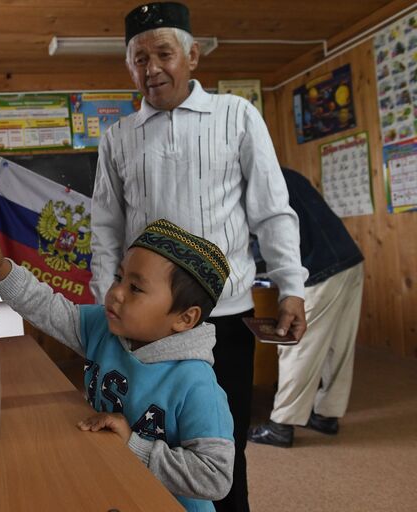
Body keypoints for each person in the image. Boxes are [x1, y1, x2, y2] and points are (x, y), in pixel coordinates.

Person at [89, 3, 309, 511]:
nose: (151, 69)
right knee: (142, 431)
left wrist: (291, 286)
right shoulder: (118, 137)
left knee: (220, 446)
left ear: (192, 56)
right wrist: (109, 299)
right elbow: (105, 226)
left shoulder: (237, 116)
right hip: (146, 320)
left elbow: (272, 211)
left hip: (224, 316)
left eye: (163, 54)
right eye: (138, 59)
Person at [0, 219, 235, 512]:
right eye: (119, 278)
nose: (116, 292)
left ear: (184, 318)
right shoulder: (104, 328)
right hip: (112, 482)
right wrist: (1, 268)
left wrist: (134, 446)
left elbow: (215, 477)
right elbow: (47, 307)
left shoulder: (197, 385)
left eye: (136, 289)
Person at [247, 168, 365, 447]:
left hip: (317, 268)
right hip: (349, 258)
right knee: (339, 346)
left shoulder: (257, 183)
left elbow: (269, 238)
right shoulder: (284, 174)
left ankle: (281, 425)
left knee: (297, 346)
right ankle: (327, 415)